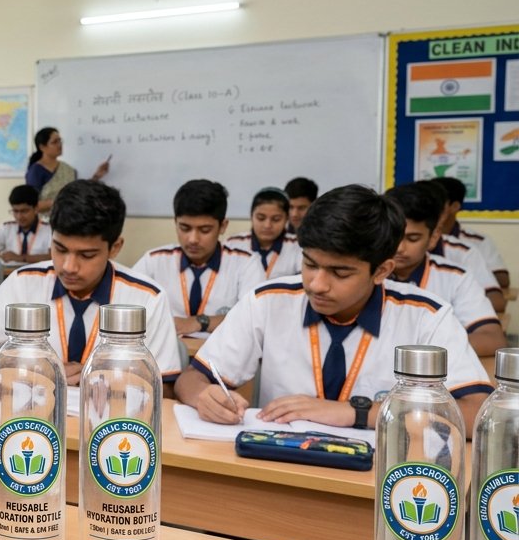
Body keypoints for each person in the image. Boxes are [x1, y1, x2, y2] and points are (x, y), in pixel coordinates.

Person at [177, 185, 493, 434]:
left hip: (378, 474)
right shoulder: (268, 301)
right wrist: (202, 397)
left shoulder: (426, 316)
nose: (316, 284)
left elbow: (476, 412)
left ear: (382, 271)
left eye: (340, 273)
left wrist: (358, 413)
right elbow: (191, 379)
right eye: (310, 264)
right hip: (280, 464)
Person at [0, 180, 180, 393]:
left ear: (115, 247)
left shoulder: (147, 298)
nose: (68, 266)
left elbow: (166, 390)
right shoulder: (23, 283)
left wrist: (100, 382)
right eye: (60, 249)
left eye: (86, 255)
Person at [384, 183, 505, 357]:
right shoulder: (365, 273)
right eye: (393, 235)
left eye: (413, 238)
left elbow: (492, 339)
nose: (400, 248)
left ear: (433, 237)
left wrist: (419, 352)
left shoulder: (455, 276)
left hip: (432, 370)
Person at [133, 179, 264, 335]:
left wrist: (199, 322)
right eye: (185, 228)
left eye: (205, 230)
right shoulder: (154, 260)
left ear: (223, 226)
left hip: (222, 356)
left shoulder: (247, 263)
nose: (193, 239)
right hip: (165, 354)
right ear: (175, 222)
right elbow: (126, 307)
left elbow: (253, 318)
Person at [432, 175, 510, 289]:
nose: (429, 207)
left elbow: (503, 280)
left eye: (436, 202)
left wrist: (474, 268)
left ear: (454, 206)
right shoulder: (417, 240)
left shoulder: (477, 241)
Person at [26, 126, 110, 214]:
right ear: (42, 147)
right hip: (46, 223)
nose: (59, 145)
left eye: (60, 141)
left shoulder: (67, 169)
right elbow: (31, 205)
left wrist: (97, 176)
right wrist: (60, 201)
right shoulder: (36, 171)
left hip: (68, 220)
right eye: (55, 142)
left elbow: (77, 190)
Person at [224, 187, 302, 278]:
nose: (267, 225)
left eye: (276, 219)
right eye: (261, 218)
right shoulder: (232, 245)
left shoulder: (297, 246)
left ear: (286, 219)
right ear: (251, 215)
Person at [0, 184, 54, 264]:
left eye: (24, 211)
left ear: (36, 209)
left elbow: (53, 256)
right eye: (15, 211)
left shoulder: (48, 230)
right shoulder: (6, 228)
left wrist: (20, 258)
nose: (19, 216)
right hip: (9, 274)